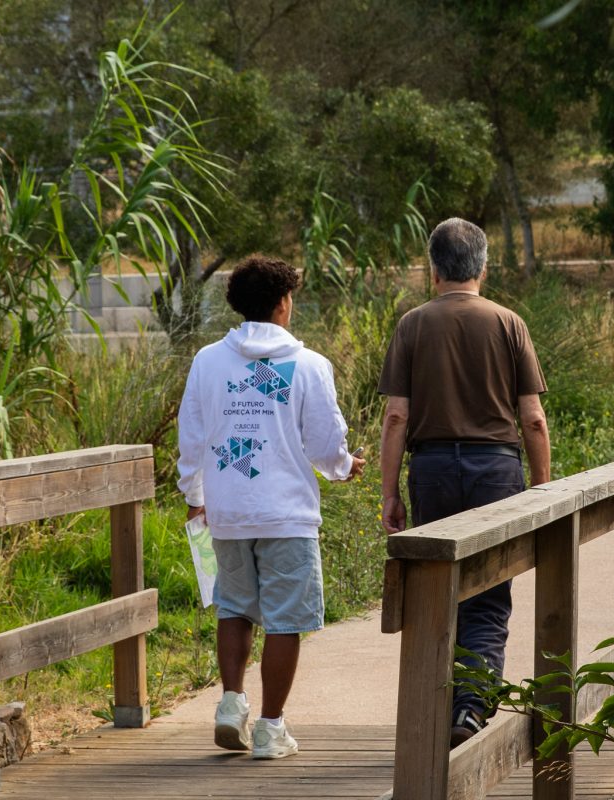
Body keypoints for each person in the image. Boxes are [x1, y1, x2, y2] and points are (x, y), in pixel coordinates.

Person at [177, 255, 365, 759]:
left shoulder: (208, 361)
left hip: (227, 510)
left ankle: (230, 702)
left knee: (234, 607)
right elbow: (324, 443)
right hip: (286, 514)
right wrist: (344, 467)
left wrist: (195, 497)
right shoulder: (309, 365)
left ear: (239, 304)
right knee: (285, 620)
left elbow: (192, 437)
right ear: (283, 303)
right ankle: (270, 727)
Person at [378, 217, 550, 748]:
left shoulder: (411, 325)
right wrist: (543, 490)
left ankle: (438, 707)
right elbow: (533, 419)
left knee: (438, 590)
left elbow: (396, 417)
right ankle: (472, 706)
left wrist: (389, 492)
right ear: (483, 268)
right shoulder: (509, 323)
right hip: (496, 470)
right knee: (489, 597)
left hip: (431, 470)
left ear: (433, 270)